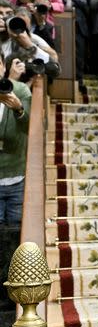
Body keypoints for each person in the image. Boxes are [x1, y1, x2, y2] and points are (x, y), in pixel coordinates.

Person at [0, 55, 31, 227]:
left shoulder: (20, 90)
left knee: (16, 234)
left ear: (4, 66)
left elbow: (31, 128)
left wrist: (19, 109)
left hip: (17, 177)